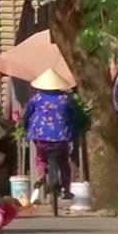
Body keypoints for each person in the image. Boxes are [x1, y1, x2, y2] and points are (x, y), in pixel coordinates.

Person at [22, 68, 81, 200]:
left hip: (40, 137)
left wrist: (26, 127)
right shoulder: (65, 99)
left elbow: (27, 116)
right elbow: (74, 116)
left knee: (40, 159)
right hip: (61, 138)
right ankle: (66, 189)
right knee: (64, 163)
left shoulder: (36, 98)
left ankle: (41, 175)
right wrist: (73, 131)